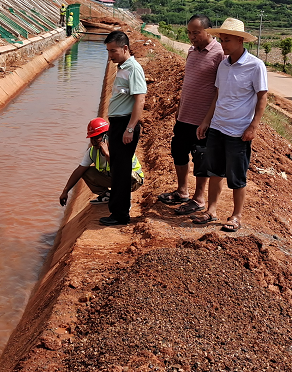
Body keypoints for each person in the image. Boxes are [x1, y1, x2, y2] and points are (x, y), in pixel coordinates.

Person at [193, 18, 267, 232]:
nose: (223, 44)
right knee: (214, 171)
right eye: (222, 40)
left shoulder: (255, 66)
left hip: (238, 131)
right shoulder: (223, 65)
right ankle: (211, 210)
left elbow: (262, 98)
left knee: (236, 176)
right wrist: (206, 121)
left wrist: (253, 126)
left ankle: (236, 216)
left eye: (227, 40)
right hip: (217, 127)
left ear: (240, 40)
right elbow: (218, 95)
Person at [156, 14, 224, 216]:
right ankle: (182, 191)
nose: (192, 37)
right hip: (184, 115)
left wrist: (208, 120)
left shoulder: (219, 54)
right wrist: (178, 110)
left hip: (203, 120)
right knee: (178, 151)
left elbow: (219, 91)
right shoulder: (192, 51)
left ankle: (199, 198)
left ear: (208, 31)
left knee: (201, 158)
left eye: (196, 32)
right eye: (189, 32)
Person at [100, 30, 146, 226]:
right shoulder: (123, 67)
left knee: (121, 169)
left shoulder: (134, 68)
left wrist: (130, 128)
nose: (110, 56)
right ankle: (117, 211)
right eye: (109, 52)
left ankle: (120, 215)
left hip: (125, 124)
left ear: (125, 48)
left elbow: (140, 99)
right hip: (118, 124)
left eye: (113, 51)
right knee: (117, 168)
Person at [59, 118, 144, 206]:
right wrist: (65, 191)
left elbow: (119, 169)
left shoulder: (119, 147)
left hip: (133, 179)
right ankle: (107, 195)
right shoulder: (92, 152)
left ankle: (124, 196)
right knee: (86, 172)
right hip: (115, 178)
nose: (93, 142)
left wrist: (107, 154)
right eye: (91, 138)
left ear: (106, 135)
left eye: (97, 138)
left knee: (123, 171)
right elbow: (79, 170)